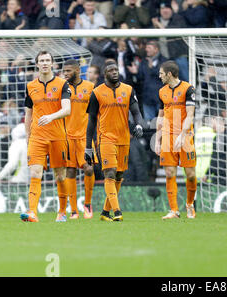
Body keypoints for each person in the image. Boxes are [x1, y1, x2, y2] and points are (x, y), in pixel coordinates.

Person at [85, 61, 145, 222]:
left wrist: (139, 124)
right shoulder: (97, 93)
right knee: (110, 172)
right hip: (105, 138)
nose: (114, 72)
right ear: (105, 74)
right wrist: (88, 146)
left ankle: (105, 213)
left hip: (124, 139)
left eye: (116, 69)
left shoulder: (128, 90)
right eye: (110, 70)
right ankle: (117, 211)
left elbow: (136, 111)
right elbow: (91, 120)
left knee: (119, 175)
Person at [20, 50, 72, 223]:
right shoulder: (30, 86)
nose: (44, 63)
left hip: (58, 136)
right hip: (37, 137)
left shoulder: (63, 84)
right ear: (37, 64)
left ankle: (62, 211)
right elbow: (28, 114)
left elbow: (67, 109)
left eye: (47, 60)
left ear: (52, 64)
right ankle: (32, 212)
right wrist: (28, 135)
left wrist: (50, 117)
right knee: (35, 172)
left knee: (60, 176)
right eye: (41, 60)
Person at [155, 60, 197, 219]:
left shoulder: (188, 89)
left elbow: (190, 115)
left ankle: (190, 204)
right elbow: (160, 116)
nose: (159, 76)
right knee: (169, 172)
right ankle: (174, 210)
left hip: (185, 135)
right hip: (167, 135)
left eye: (161, 73)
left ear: (169, 74)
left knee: (191, 174)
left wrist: (182, 134)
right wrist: (158, 140)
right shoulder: (161, 91)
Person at [62, 59, 96, 219]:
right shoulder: (62, 88)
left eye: (68, 71)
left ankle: (87, 204)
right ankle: (74, 210)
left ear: (77, 70)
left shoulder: (89, 87)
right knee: (70, 171)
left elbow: (96, 111)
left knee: (89, 168)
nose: (65, 73)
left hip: (85, 137)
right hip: (67, 136)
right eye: (64, 71)